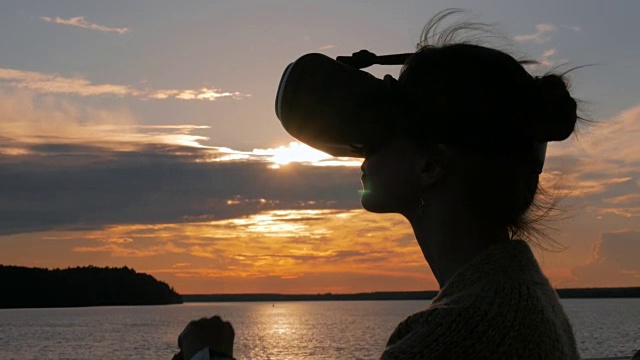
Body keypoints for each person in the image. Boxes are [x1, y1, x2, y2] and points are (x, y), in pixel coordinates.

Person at [175, 10, 586, 360]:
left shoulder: (459, 334)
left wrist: (205, 356)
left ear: (429, 166)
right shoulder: (520, 296)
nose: (365, 147)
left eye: (385, 124)